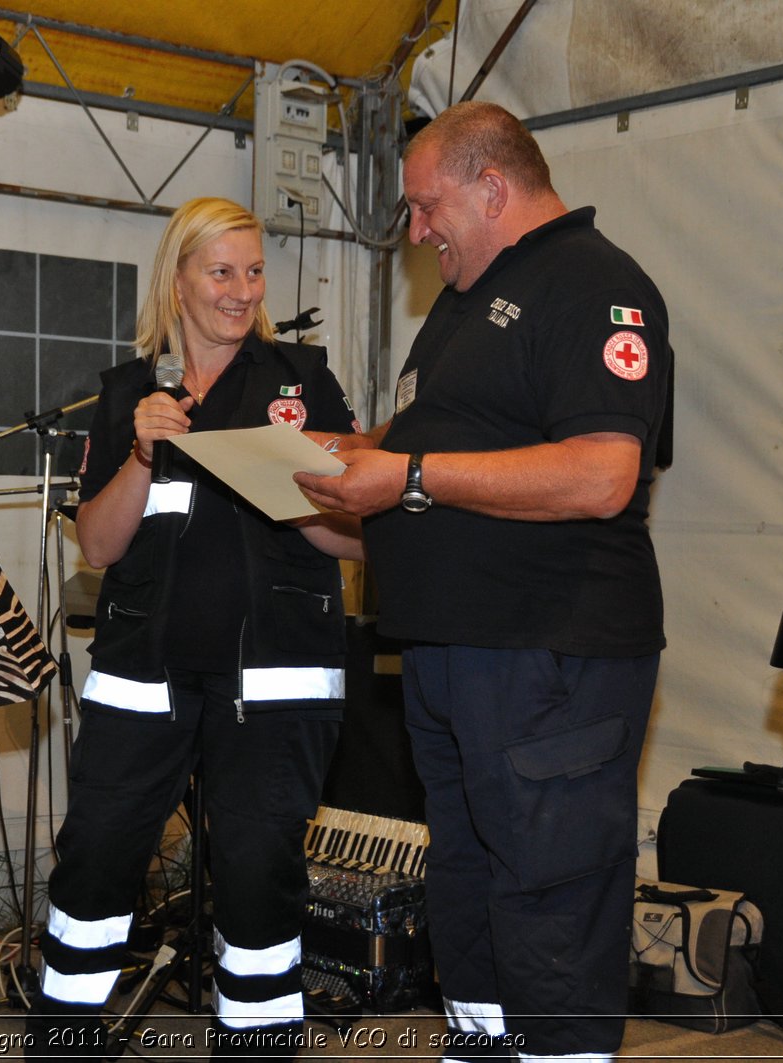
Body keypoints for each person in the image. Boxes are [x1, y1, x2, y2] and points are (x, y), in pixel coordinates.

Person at [296, 102, 671, 1062]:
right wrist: (328, 459)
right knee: (467, 885)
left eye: (426, 208)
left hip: (548, 654)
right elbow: (422, 450)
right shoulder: (463, 302)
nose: (417, 233)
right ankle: (482, 1043)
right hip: (450, 654)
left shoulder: (594, 285)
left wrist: (408, 476)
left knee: (549, 894)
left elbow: (601, 474)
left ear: (492, 187)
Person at [29, 197, 362, 1058]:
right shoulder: (128, 393)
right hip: (144, 677)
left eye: (254, 271)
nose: (242, 290)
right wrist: (141, 454)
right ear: (177, 279)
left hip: (275, 687)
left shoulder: (302, 381)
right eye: (222, 271)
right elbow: (98, 543)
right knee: (95, 859)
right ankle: (62, 1037)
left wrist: (293, 490)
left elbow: (353, 539)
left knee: (258, 882)